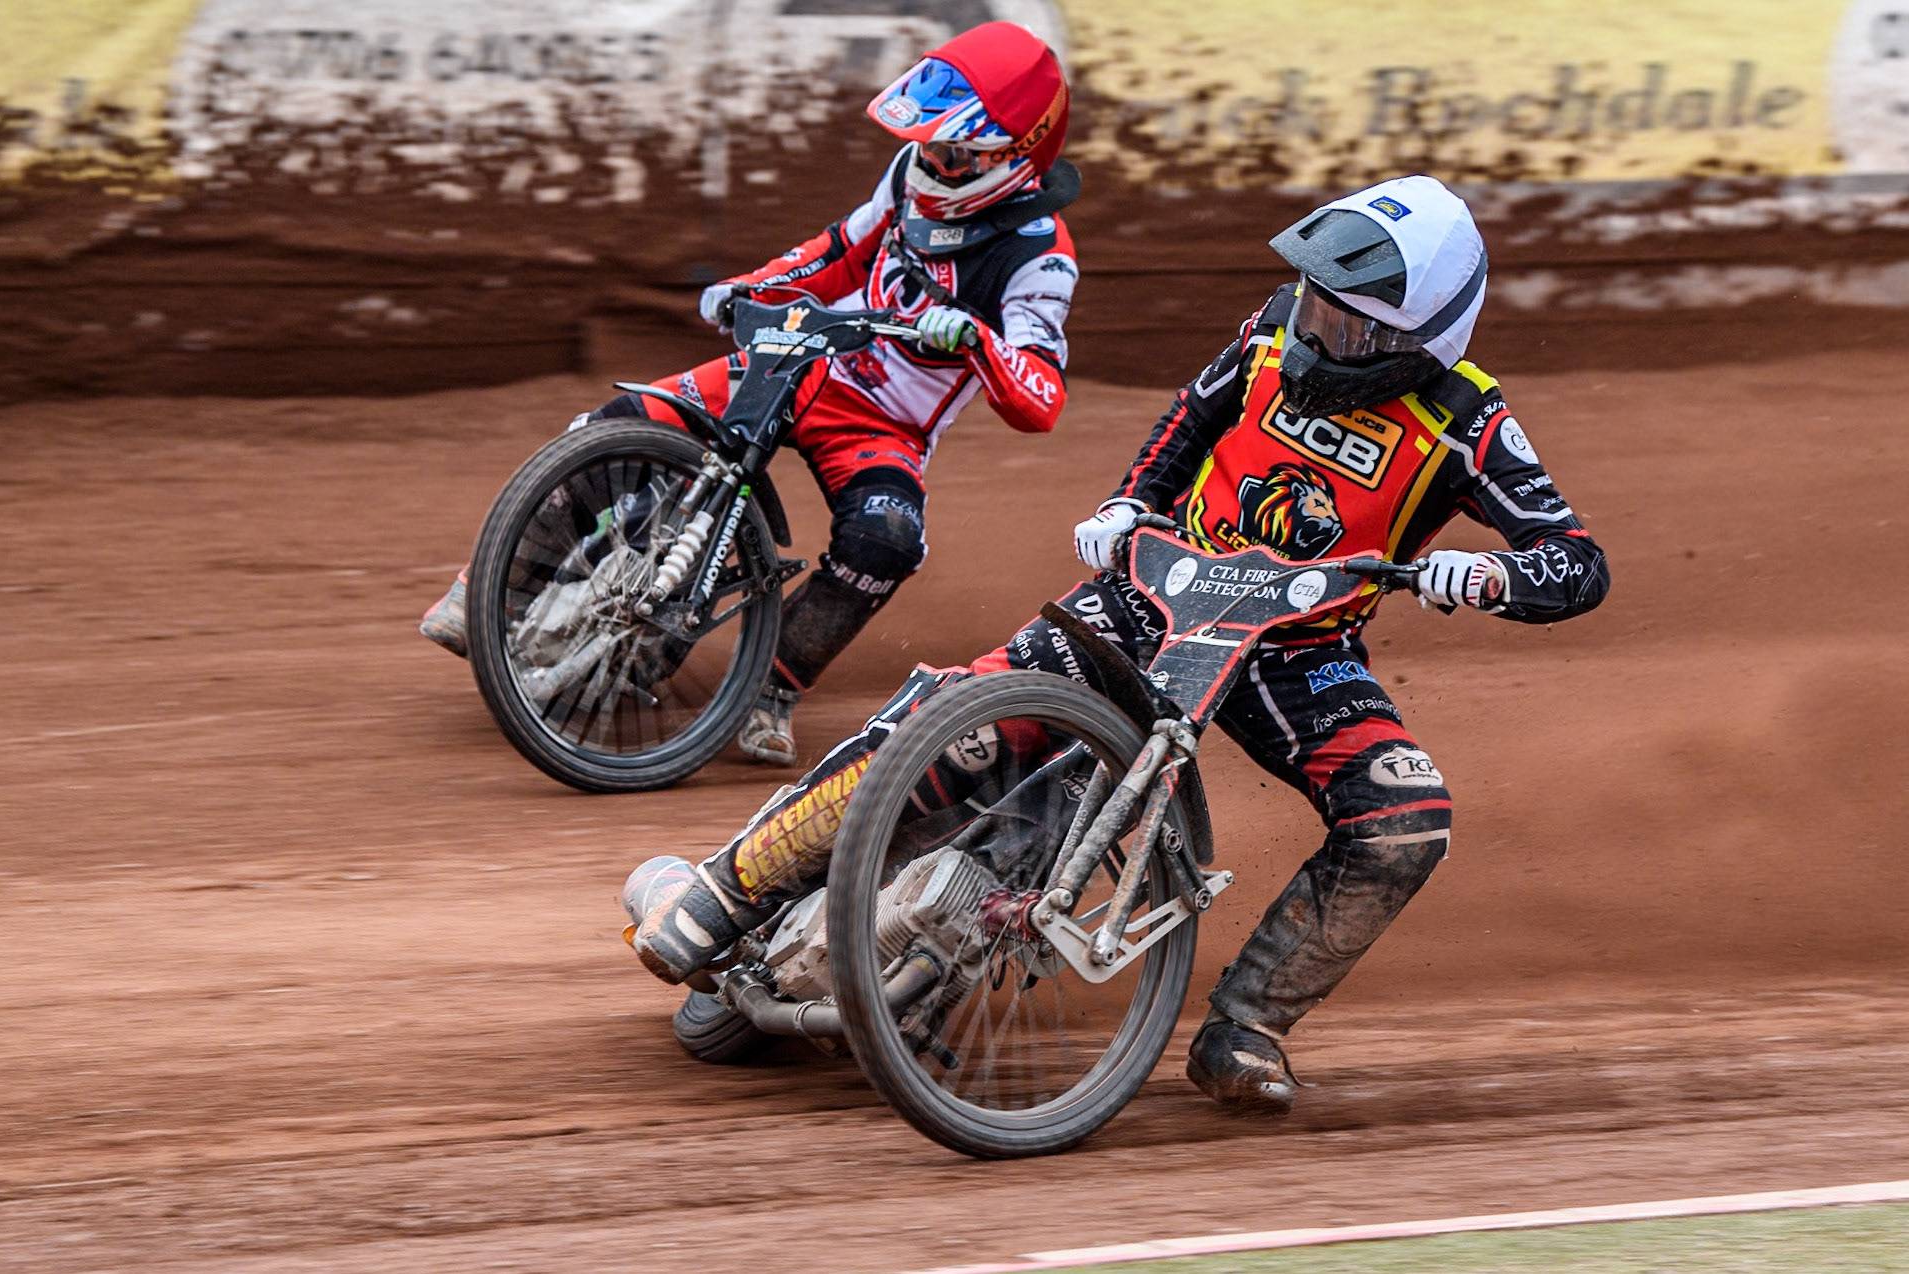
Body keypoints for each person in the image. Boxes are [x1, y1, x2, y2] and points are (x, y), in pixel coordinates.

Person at [628, 173, 1610, 1111]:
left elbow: (1575, 560)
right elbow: (1189, 419)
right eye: (1313, 300)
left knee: (1405, 813)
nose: (1313, 325)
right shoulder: (1271, 332)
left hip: (1301, 649)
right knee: (962, 724)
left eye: (1344, 320)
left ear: (1420, 338)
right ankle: (728, 887)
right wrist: (1129, 499)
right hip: (1156, 591)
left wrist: (1489, 576)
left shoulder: (1468, 419)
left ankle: (1246, 1027)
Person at [420, 21, 1079, 765]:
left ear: (1017, 156)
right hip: (806, 359)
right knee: (624, 421)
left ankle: (771, 686)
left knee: (886, 541)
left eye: (954, 152)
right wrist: (749, 288)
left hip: (886, 423)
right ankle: (492, 589)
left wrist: (973, 338)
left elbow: (1042, 397)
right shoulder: (907, 177)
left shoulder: (1041, 258)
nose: (932, 159)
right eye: (929, 143)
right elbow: (837, 252)